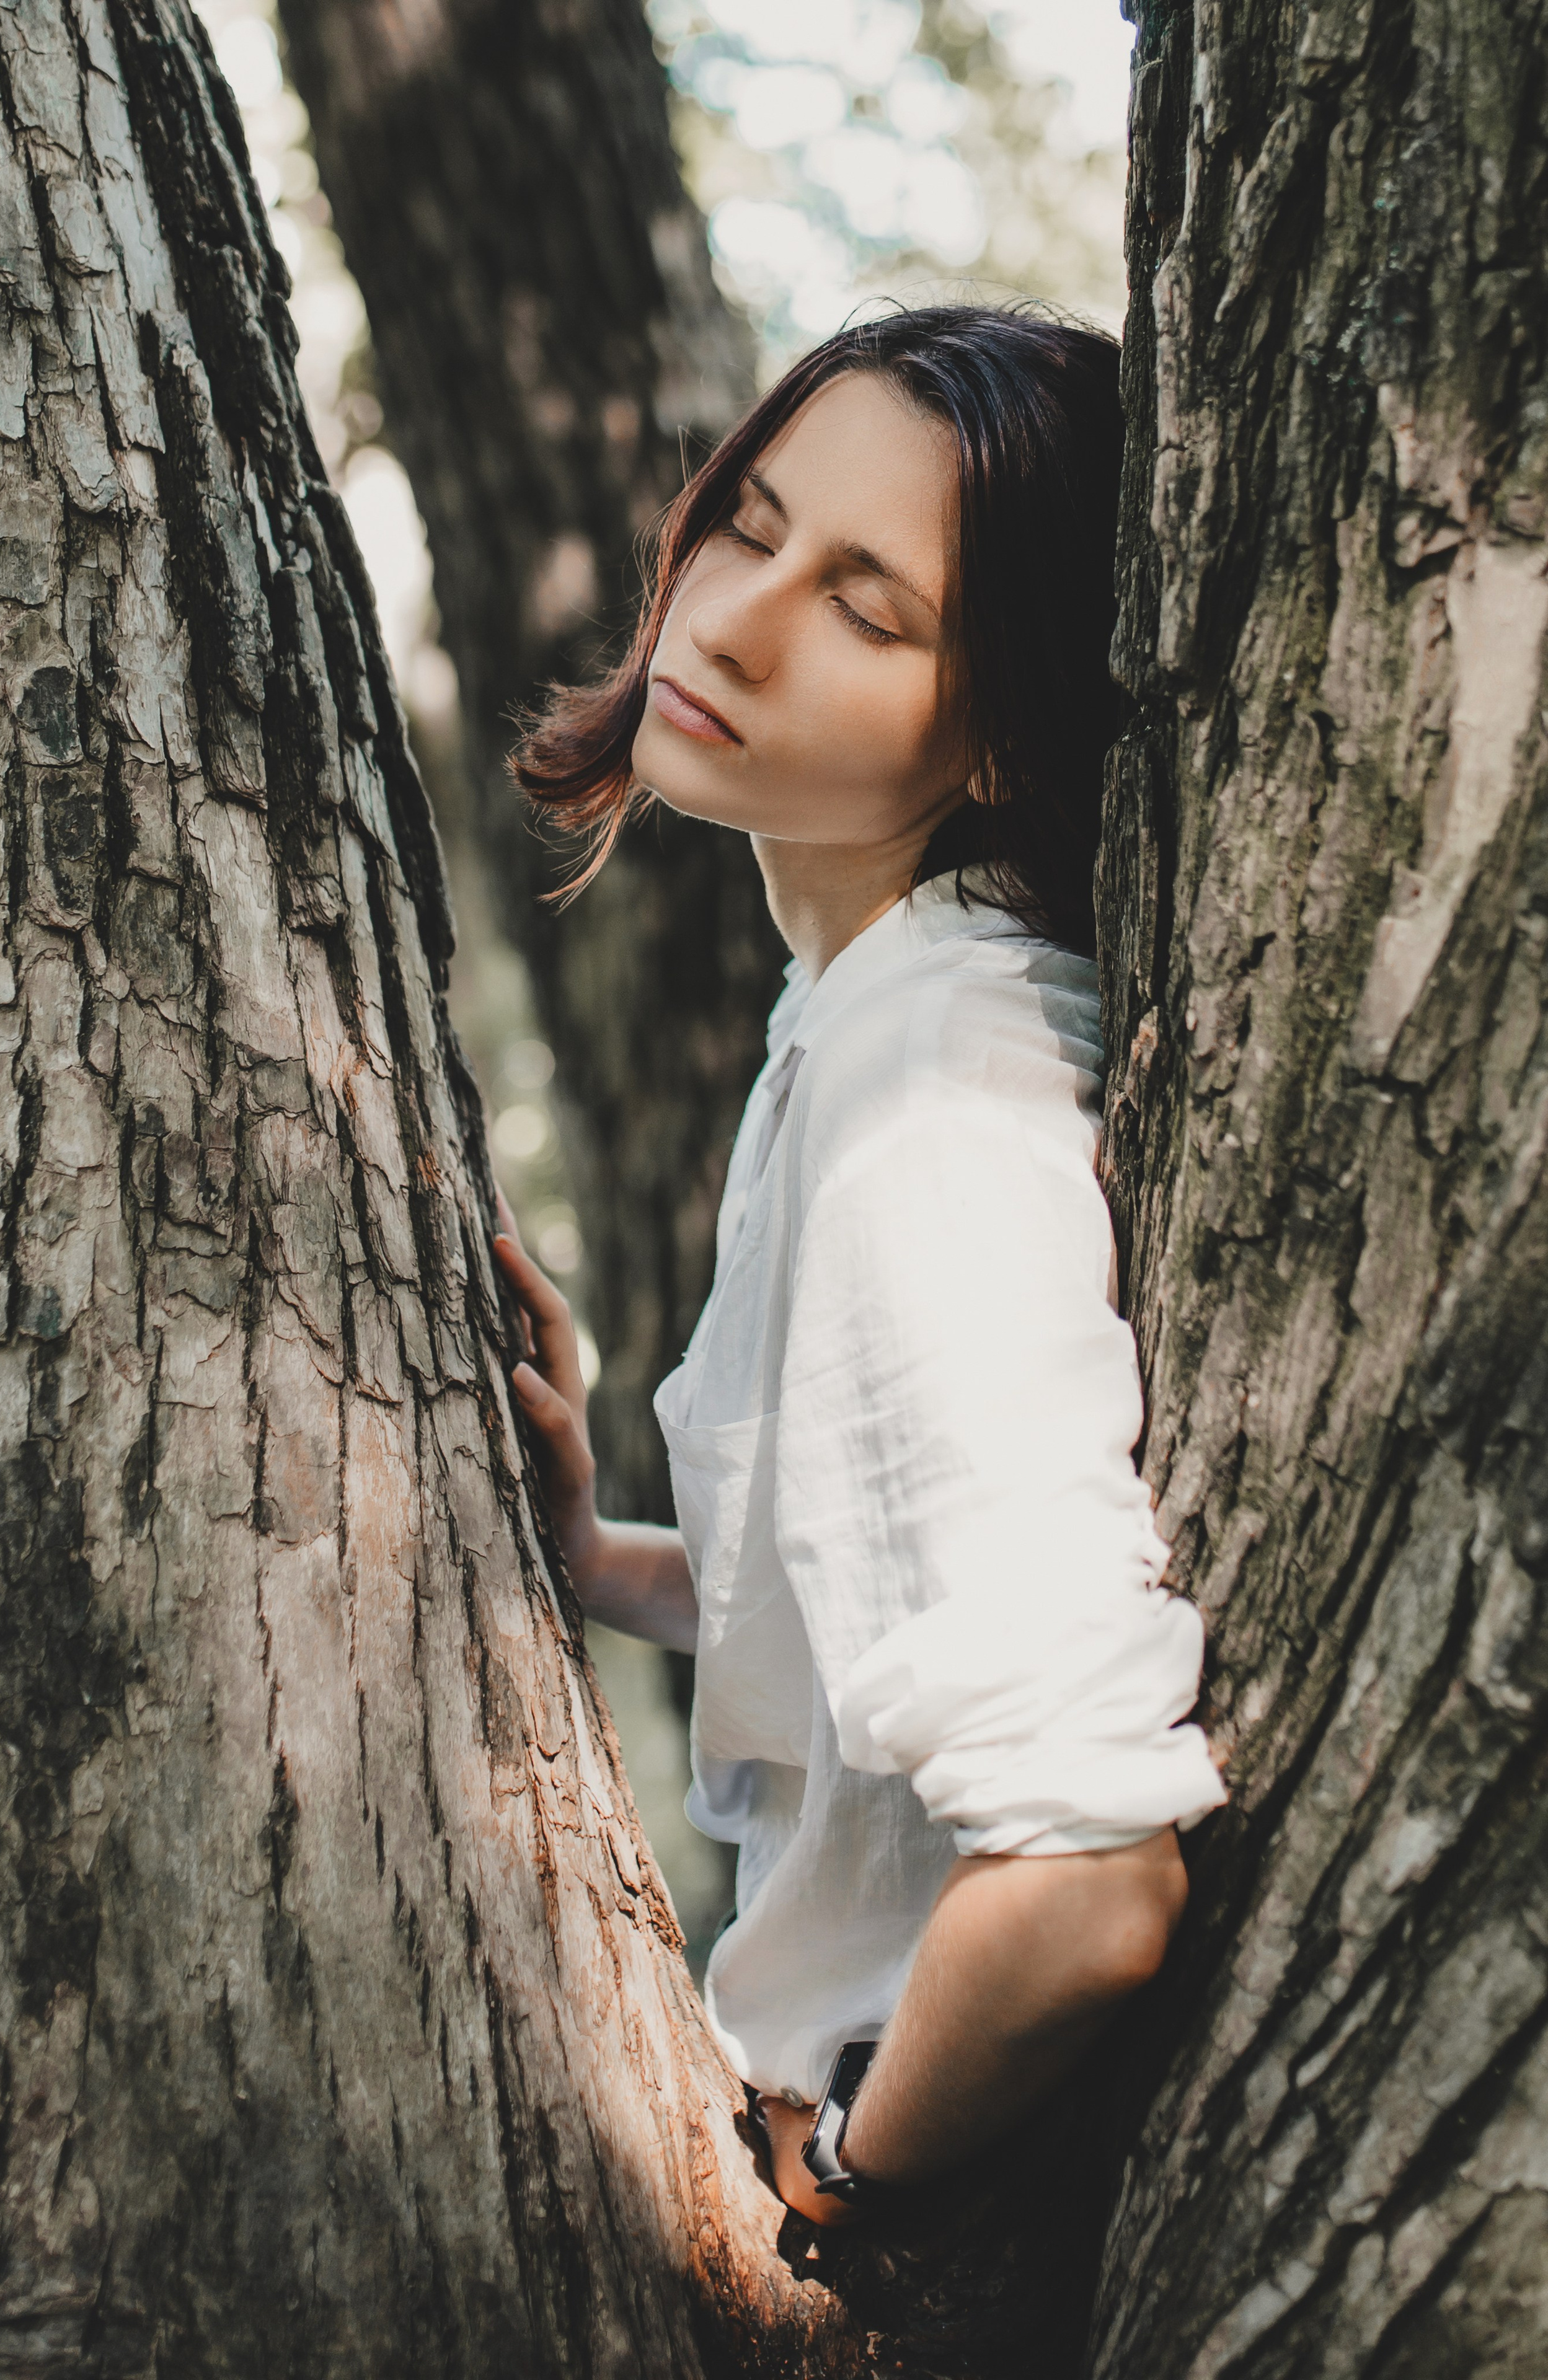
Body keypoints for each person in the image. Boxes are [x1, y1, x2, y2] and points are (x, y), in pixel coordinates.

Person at [492, 306, 1226, 2227]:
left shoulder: (933, 1084)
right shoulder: (865, 1012)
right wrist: (597, 1564)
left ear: (1001, 725)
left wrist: (852, 2206)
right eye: (749, 522)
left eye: (870, 608)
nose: (730, 620)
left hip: (923, 2218)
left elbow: (1086, 1880)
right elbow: (868, 1659)